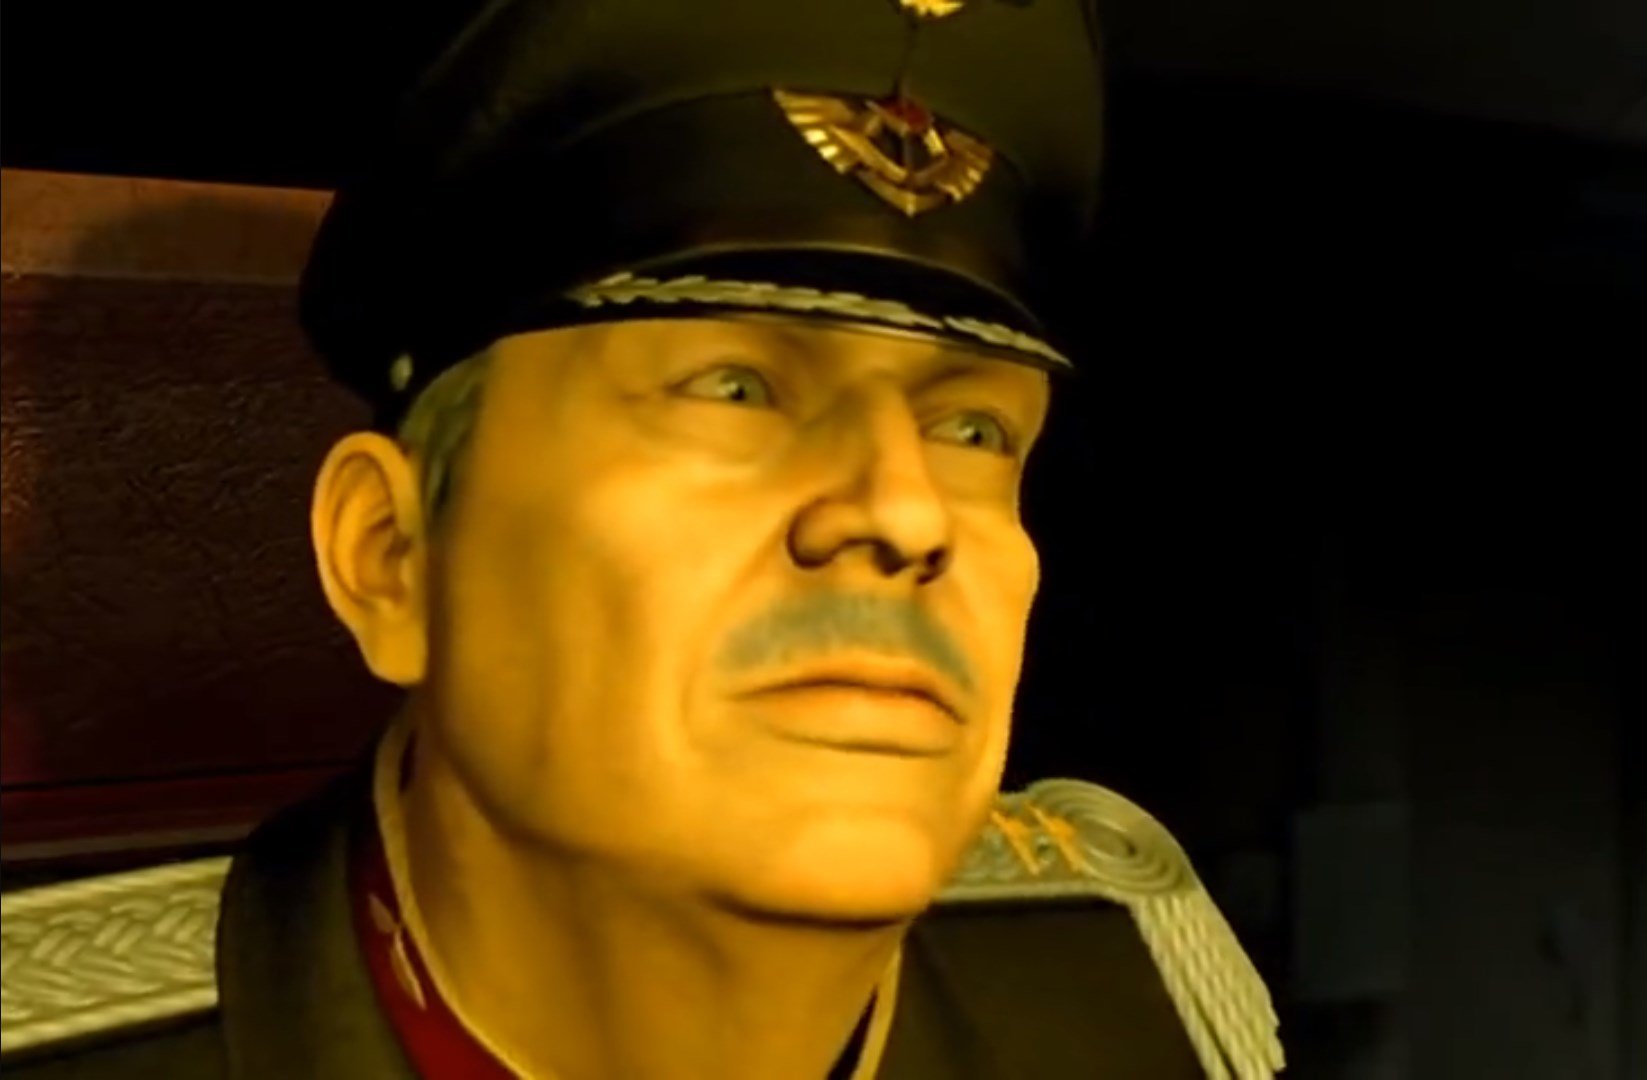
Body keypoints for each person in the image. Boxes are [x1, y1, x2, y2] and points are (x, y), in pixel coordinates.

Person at [0, 1, 1282, 1075]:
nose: (902, 513)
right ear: (394, 555)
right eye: (735, 389)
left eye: (973, 431)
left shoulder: (1126, 1001)